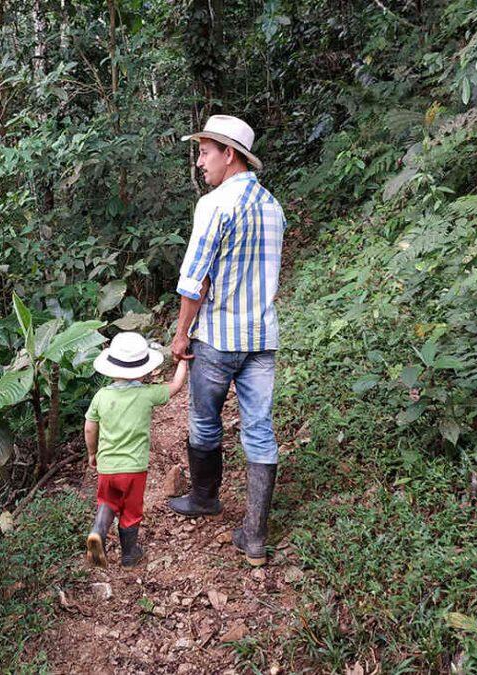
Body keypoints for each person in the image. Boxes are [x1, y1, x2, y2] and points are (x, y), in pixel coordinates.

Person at [167, 114, 285, 567]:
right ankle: (254, 536)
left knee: (204, 421)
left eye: (204, 152)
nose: (199, 162)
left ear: (228, 154)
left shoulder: (215, 205)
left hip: (218, 336)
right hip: (262, 336)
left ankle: (204, 498)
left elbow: (194, 280)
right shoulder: (273, 207)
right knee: (259, 428)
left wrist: (181, 335)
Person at [84, 332, 189, 567]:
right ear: (143, 370)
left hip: (108, 467)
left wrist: (92, 453)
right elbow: (176, 386)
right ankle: (129, 554)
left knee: (108, 502)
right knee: (130, 512)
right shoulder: (146, 394)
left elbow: (90, 428)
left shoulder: (101, 396)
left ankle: (97, 532)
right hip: (134, 469)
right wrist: (183, 361)